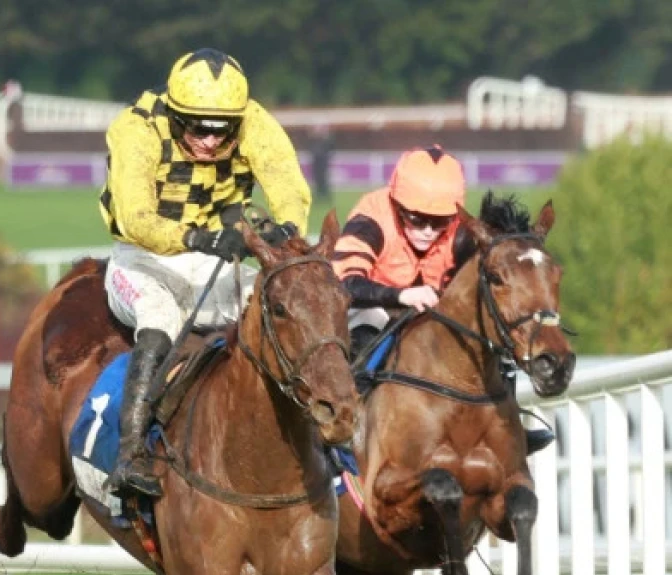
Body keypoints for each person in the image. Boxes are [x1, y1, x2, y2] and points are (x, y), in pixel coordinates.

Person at [98, 48, 311, 499]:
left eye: (222, 130)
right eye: (198, 128)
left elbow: (288, 186)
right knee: (161, 320)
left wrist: (286, 228)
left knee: (283, 314)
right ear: (176, 115)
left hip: (217, 255)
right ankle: (130, 455)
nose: (211, 141)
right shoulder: (135, 129)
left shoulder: (254, 121)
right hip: (141, 257)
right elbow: (136, 216)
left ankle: (320, 440)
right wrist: (199, 238)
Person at [330, 144, 553, 453]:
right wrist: (401, 295)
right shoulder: (370, 221)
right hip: (371, 306)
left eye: (438, 221)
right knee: (370, 321)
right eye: (416, 219)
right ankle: (346, 422)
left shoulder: (460, 231)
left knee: (490, 327)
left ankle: (508, 425)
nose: (427, 230)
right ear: (396, 204)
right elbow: (343, 283)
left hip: (431, 317)